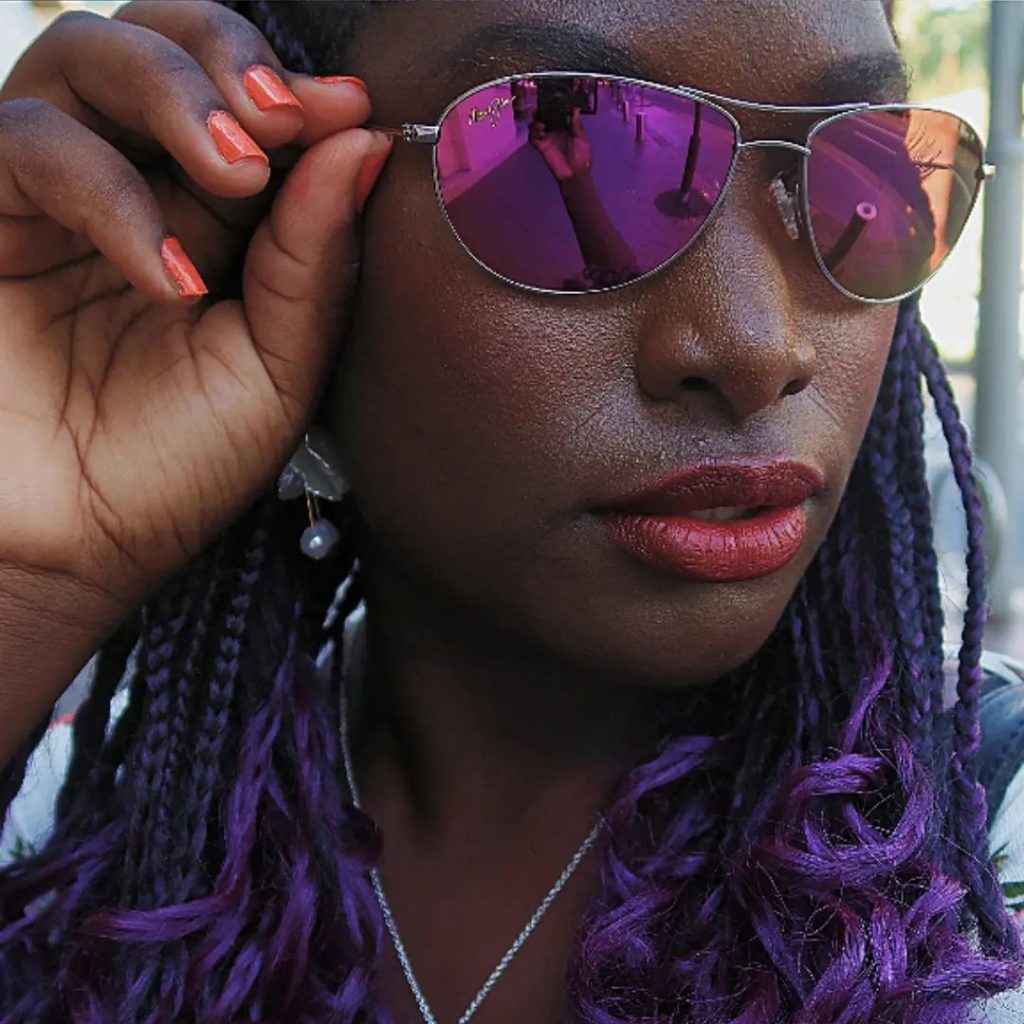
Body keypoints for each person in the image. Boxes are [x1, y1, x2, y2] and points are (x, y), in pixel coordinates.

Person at [0, 1, 1022, 1021]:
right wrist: (28, 584)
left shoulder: (993, 836)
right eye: (561, 162)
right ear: (281, 222)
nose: (762, 348)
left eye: (862, 174)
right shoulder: (64, 827)